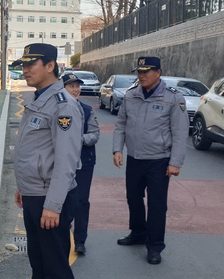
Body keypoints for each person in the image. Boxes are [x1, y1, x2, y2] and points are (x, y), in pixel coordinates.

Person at [12, 43, 82, 279]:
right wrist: (22, 187)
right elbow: (34, 151)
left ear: (50, 65)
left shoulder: (63, 105)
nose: (25, 70)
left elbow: (66, 161)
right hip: (33, 194)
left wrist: (53, 205)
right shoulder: (38, 99)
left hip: (50, 200)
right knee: (38, 263)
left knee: (55, 266)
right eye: (23, 64)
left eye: (31, 64)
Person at [112, 56, 188, 265]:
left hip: (159, 160)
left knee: (156, 205)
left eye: (147, 71)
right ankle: (138, 233)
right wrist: (117, 149)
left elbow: (180, 133)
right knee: (133, 199)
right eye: (139, 71)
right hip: (134, 158)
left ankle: (155, 245)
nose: (142, 75)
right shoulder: (131, 96)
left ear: (159, 73)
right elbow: (120, 124)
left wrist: (175, 163)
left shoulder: (173, 98)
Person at [62, 73, 100, 255]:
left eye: (77, 86)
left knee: (81, 201)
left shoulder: (86, 110)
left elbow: (94, 135)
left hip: (84, 161)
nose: (76, 90)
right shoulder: (57, 109)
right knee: (61, 199)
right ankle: (61, 237)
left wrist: (78, 139)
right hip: (63, 162)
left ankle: (80, 240)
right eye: (71, 86)